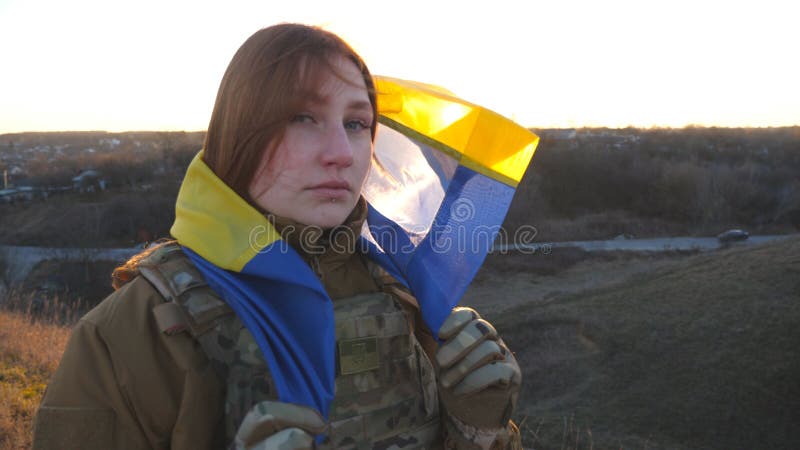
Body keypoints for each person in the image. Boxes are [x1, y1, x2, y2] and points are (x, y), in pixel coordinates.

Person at [32, 23, 522, 450]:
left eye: (356, 123)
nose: (342, 153)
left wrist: (479, 425)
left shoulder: (402, 289)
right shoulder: (129, 335)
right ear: (240, 131)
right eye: (302, 117)